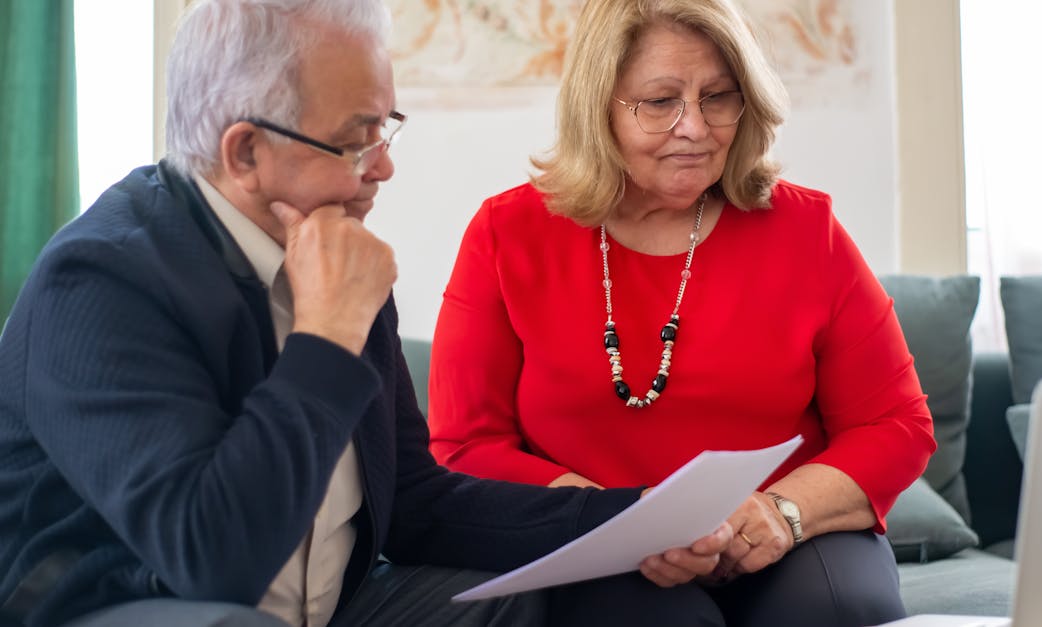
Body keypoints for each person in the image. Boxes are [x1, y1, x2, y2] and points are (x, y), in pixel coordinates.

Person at [0, 1, 731, 626]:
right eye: (355, 141)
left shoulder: (334, 249)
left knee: (609, 602)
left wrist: (636, 520)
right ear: (245, 152)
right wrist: (326, 335)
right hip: (148, 609)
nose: (383, 166)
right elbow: (215, 559)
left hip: (335, 607)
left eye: (386, 129)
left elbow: (417, 502)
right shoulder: (101, 280)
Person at [427, 0, 938, 625]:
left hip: (783, 534)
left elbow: (896, 423)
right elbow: (465, 446)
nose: (694, 127)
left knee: (839, 607)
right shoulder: (507, 234)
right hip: (596, 539)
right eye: (660, 101)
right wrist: (619, 520)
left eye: (717, 97)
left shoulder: (808, 230)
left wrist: (781, 512)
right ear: (599, 107)